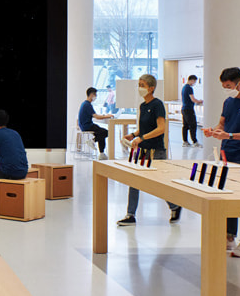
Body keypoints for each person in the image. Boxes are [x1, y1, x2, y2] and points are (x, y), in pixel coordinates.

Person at [203, 67, 240, 258]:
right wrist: (213, 130)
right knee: (227, 197)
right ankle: (229, 236)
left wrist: (230, 135)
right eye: (224, 86)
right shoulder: (228, 102)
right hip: (225, 156)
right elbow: (222, 124)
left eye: (229, 86)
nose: (227, 89)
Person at [117, 74, 181, 226]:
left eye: (143, 85)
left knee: (160, 184)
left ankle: (174, 205)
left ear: (151, 88)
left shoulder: (157, 105)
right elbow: (144, 128)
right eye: (139, 84)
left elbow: (161, 128)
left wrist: (142, 138)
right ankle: (130, 214)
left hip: (156, 151)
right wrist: (133, 135)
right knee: (134, 180)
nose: (140, 88)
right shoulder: (143, 106)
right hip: (143, 152)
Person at [78, 87, 112, 160]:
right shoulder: (87, 105)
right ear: (91, 95)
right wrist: (107, 116)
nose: (95, 96)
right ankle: (92, 141)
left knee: (101, 133)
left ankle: (102, 154)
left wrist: (103, 116)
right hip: (87, 126)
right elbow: (96, 116)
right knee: (106, 132)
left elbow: (94, 115)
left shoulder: (84, 104)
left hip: (84, 126)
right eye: (95, 94)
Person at [181, 75, 204, 147]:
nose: (194, 83)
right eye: (194, 81)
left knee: (185, 126)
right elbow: (193, 99)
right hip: (189, 109)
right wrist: (199, 101)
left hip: (184, 109)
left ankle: (185, 141)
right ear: (192, 80)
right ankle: (195, 142)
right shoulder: (189, 88)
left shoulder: (184, 87)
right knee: (193, 125)